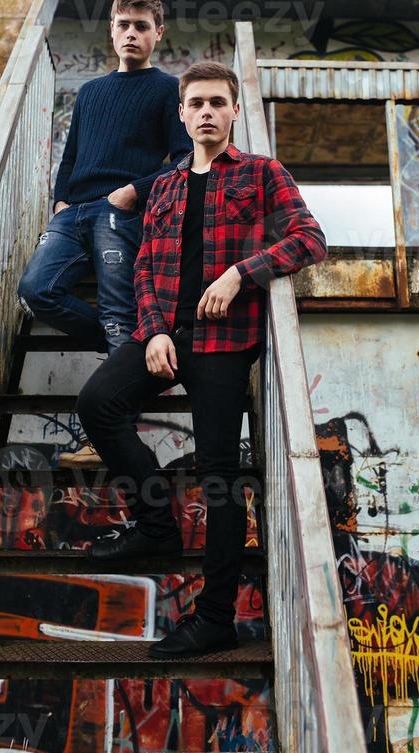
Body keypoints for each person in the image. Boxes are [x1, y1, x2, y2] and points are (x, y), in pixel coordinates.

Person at [76, 60, 327, 657]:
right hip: (165, 336)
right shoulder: (162, 186)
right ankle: (156, 522)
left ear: (235, 111)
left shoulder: (262, 174)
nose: (208, 112)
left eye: (219, 101)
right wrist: (154, 331)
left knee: (220, 480)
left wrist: (243, 272)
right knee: (97, 403)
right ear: (183, 113)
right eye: (197, 103)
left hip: (224, 343)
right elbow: (143, 269)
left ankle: (214, 619)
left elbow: (309, 237)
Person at [17, 0, 191, 465]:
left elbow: (185, 158)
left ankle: (108, 433)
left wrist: (134, 191)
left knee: (119, 310)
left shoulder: (167, 90)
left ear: (158, 33)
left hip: (121, 210)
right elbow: (71, 155)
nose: (131, 34)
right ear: (111, 29)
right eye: (123, 25)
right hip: (74, 211)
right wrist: (59, 200)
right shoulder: (91, 92)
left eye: (141, 26)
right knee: (36, 289)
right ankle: (136, 346)